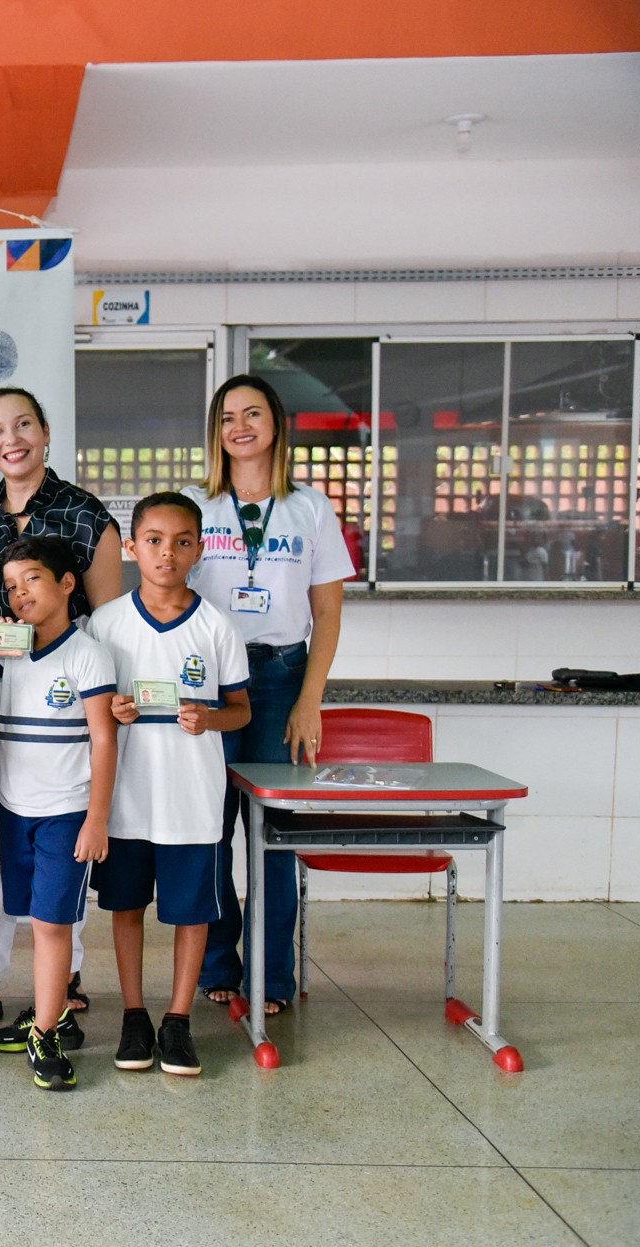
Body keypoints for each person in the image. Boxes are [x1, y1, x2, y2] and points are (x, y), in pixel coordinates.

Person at [0, 387, 123, 1025]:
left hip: (58, 672)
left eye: (22, 424)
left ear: (46, 431)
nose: (10, 439)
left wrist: (108, 690)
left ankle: (67, 969)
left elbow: (106, 618)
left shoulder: (82, 512)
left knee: (58, 820)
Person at [184, 374, 350, 1016]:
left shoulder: (310, 507)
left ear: (277, 424)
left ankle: (272, 976)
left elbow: (328, 614)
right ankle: (220, 964)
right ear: (216, 432)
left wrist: (310, 700)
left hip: (282, 676)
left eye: (253, 414)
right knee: (211, 829)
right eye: (228, 417)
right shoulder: (199, 506)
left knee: (274, 836)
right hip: (211, 679)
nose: (240, 427)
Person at [87, 493, 251, 1078]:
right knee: (127, 907)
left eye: (182, 541)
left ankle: (178, 1020)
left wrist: (210, 718)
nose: (167, 552)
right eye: (154, 540)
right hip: (126, 799)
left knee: (190, 913)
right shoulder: (106, 624)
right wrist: (114, 711)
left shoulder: (216, 626)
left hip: (193, 800)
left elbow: (242, 711)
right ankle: (135, 1014)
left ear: (200, 550)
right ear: (131, 548)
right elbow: (90, 712)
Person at [0, 535, 117, 1090]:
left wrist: (97, 818)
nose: (19, 592)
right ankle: (49, 1016)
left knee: (53, 926)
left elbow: (104, 740)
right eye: (9, 585)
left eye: (31, 579)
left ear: (67, 584)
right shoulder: (13, 651)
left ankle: (46, 1033)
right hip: (13, 811)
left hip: (67, 815)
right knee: (33, 920)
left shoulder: (88, 654)